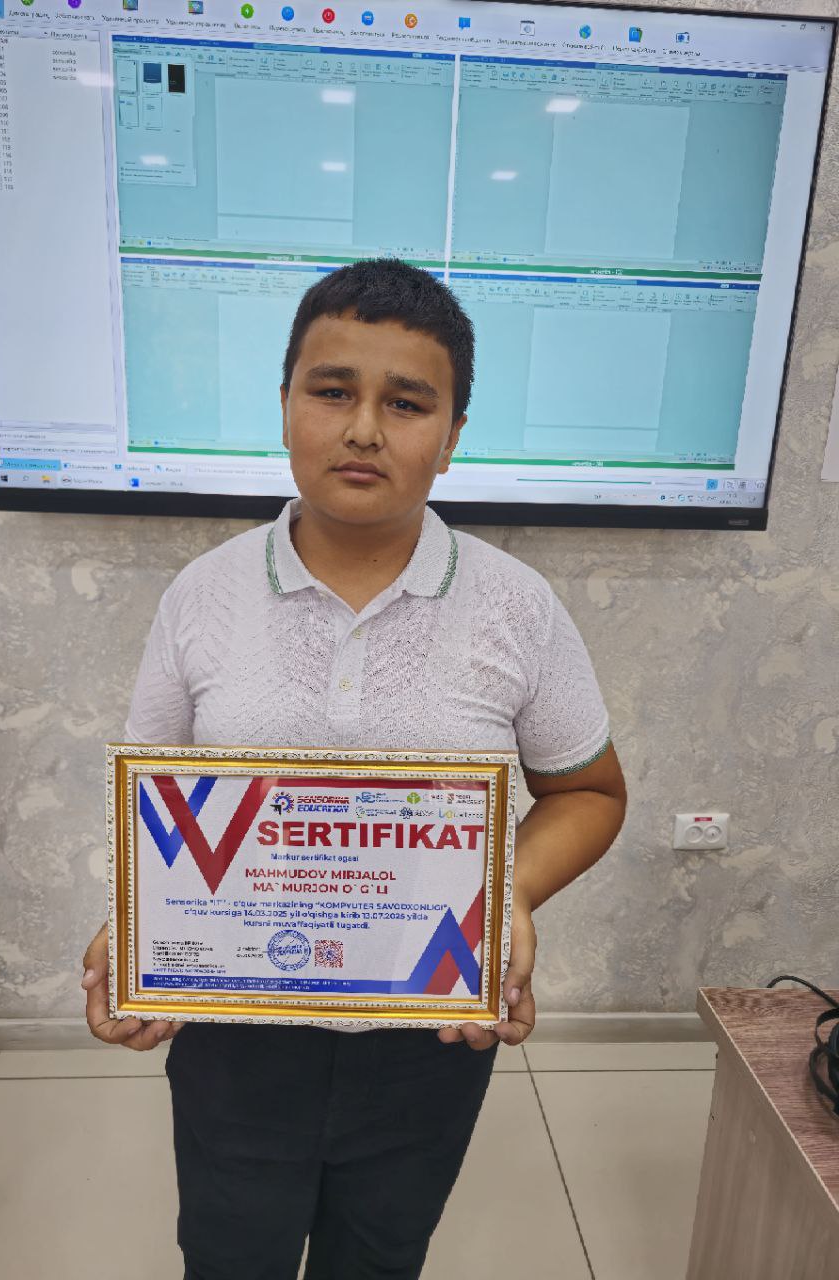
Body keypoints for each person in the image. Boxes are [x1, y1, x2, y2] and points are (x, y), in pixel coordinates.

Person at [80, 257, 627, 1279]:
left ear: (452, 436)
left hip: (426, 1031)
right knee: (229, 1254)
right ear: (285, 404)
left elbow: (589, 792)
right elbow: (161, 802)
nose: (366, 428)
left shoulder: (516, 606)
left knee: (378, 1256)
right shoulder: (201, 595)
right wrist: (138, 926)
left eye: (407, 403)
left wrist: (505, 893)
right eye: (333, 390)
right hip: (238, 1029)